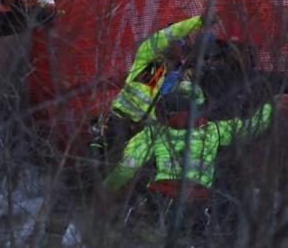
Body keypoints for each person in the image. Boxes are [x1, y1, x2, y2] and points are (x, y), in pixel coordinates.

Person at [102, 82, 280, 240]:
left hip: (158, 203)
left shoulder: (153, 134)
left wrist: (105, 188)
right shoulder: (213, 131)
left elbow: (126, 168)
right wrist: (272, 106)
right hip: (197, 204)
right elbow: (250, 129)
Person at [91, 15, 204, 155]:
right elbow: (166, 36)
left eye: (180, 44)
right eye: (174, 42)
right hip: (119, 122)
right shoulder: (147, 58)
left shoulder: (179, 74)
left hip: (142, 133)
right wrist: (199, 21)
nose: (176, 47)